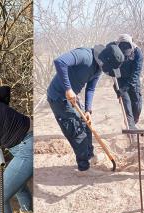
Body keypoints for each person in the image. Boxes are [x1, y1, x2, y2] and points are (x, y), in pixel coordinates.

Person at [47, 43, 124, 175]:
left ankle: (90, 157)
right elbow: (59, 61)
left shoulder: (99, 68)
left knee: (87, 124)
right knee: (76, 129)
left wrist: (88, 110)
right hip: (59, 97)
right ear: (105, 60)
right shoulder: (84, 55)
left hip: (73, 98)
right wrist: (68, 89)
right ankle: (84, 168)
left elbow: (91, 88)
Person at [113, 34, 143, 131]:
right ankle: (131, 130)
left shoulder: (138, 53)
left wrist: (125, 88)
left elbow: (136, 74)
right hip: (121, 80)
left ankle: (133, 123)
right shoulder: (113, 50)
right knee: (127, 104)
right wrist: (117, 87)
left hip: (133, 81)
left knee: (137, 106)